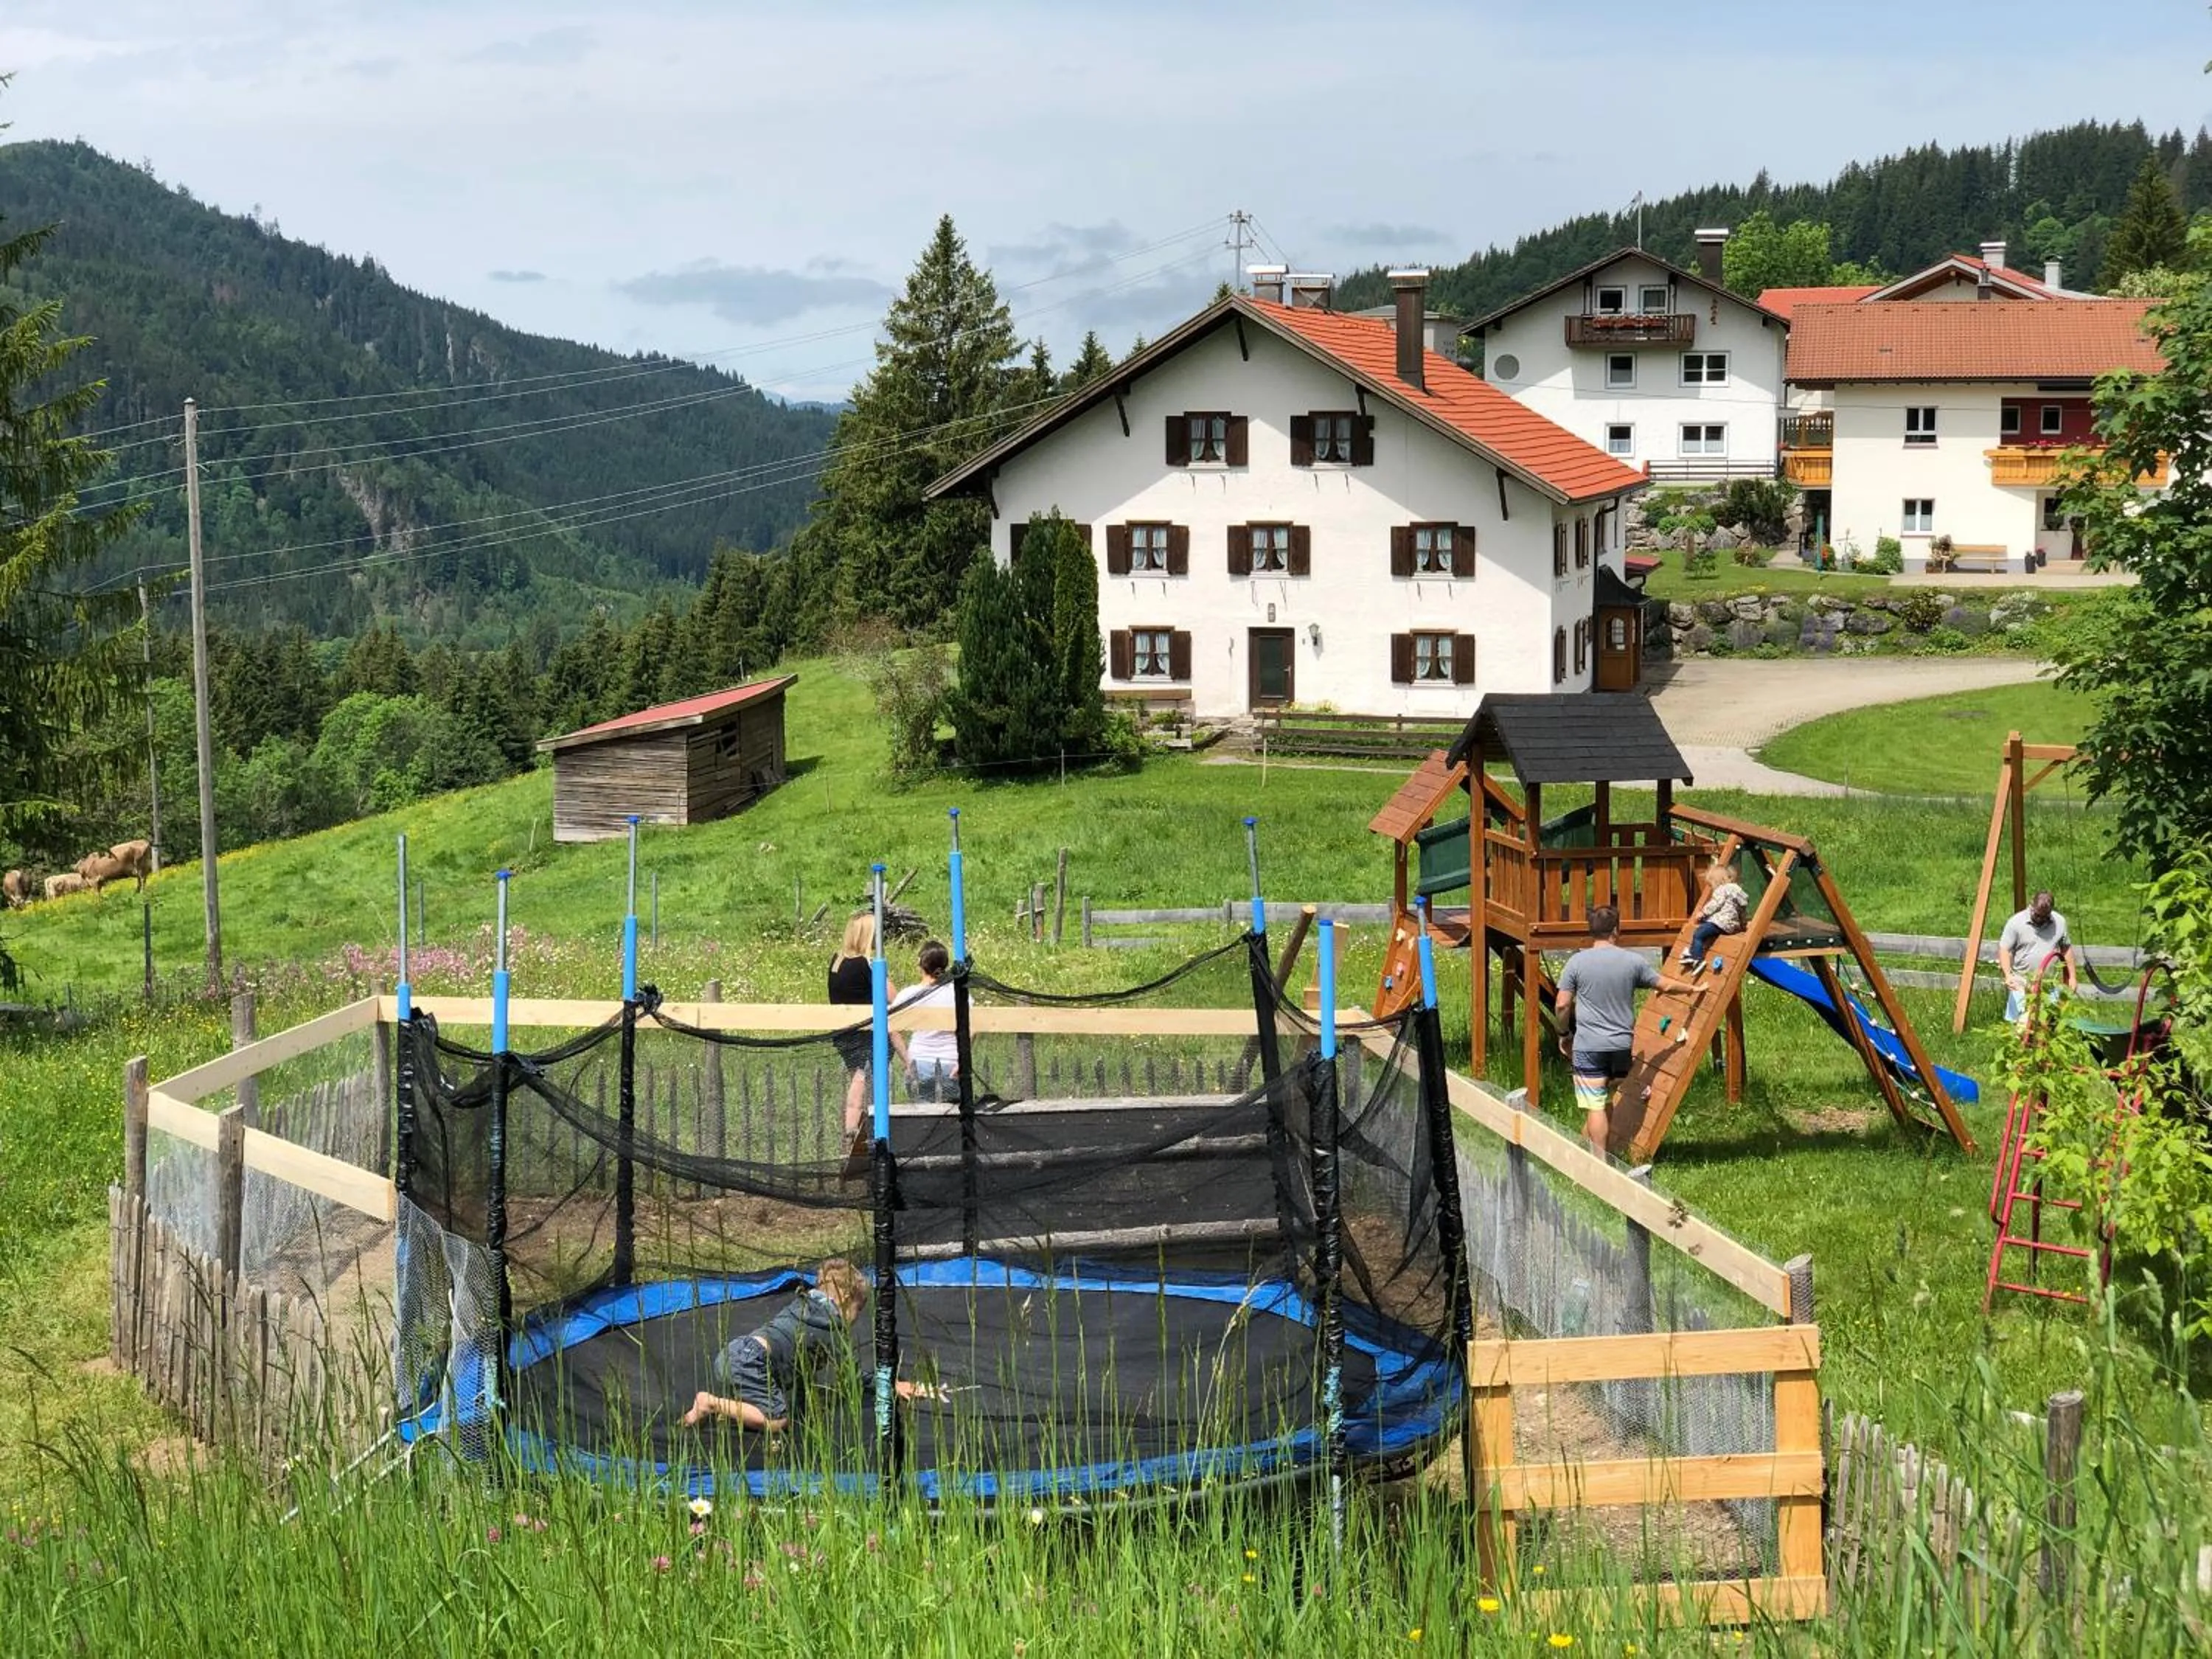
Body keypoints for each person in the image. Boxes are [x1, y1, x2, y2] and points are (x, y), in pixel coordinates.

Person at [680, 1258, 940, 1434]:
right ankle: (711, 1404)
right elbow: (853, 1376)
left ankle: (700, 1418)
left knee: (774, 1400)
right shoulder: (831, 1326)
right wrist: (891, 1385)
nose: (857, 1316)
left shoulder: (802, 1304)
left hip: (735, 1352)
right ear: (846, 1297)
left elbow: (802, 1370)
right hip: (751, 1361)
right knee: (778, 1420)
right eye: (858, 1308)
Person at [1556, 904, 1708, 1154]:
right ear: (1616, 930)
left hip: (1589, 1047)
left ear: (1591, 931)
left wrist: (1564, 1034)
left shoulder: (1576, 963)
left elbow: (1562, 1005)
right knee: (1605, 1096)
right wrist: (1693, 989)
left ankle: (1599, 1164)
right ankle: (1607, 1149)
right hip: (1621, 1047)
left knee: (1595, 1104)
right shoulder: (1633, 962)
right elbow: (1665, 986)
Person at [828, 911, 908, 1152]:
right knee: (864, 1082)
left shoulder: (836, 961)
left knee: (858, 1079)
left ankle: (854, 1131)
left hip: (844, 1033)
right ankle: (859, 1132)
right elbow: (894, 998)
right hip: (867, 1033)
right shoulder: (867, 964)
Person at [1999, 889, 2078, 1027]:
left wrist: (2072, 977)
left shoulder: (2059, 922)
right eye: (2037, 915)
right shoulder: (2016, 923)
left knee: (2048, 1024)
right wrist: (2008, 975)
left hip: (2049, 984)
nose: (2040, 919)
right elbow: (2004, 949)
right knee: (2020, 1024)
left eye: (2045, 916)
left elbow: (2066, 949)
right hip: (2022, 982)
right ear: (2031, 905)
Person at [902, 939, 960, 1102]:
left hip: (919, 1061)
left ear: (920, 963)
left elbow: (891, 1027)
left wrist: (907, 1060)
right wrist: (962, 1060)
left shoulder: (909, 994)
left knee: (921, 1113)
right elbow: (972, 1027)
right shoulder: (957, 994)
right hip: (951, 1062)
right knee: (951, 1113)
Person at [1680, 858, 1750, 971]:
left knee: (1698, 934)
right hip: (1731, 926)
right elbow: (1742, 912)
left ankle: (1697, 958)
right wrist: (1743, 925)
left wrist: (1703, 913)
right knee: (1706, 929)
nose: (1712, 888)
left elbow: (1715, 904)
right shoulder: (1738, 892)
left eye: (1712, 884)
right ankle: (1694, 951)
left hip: (1720, 923)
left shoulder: (1722, 889)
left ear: (1718, 881)